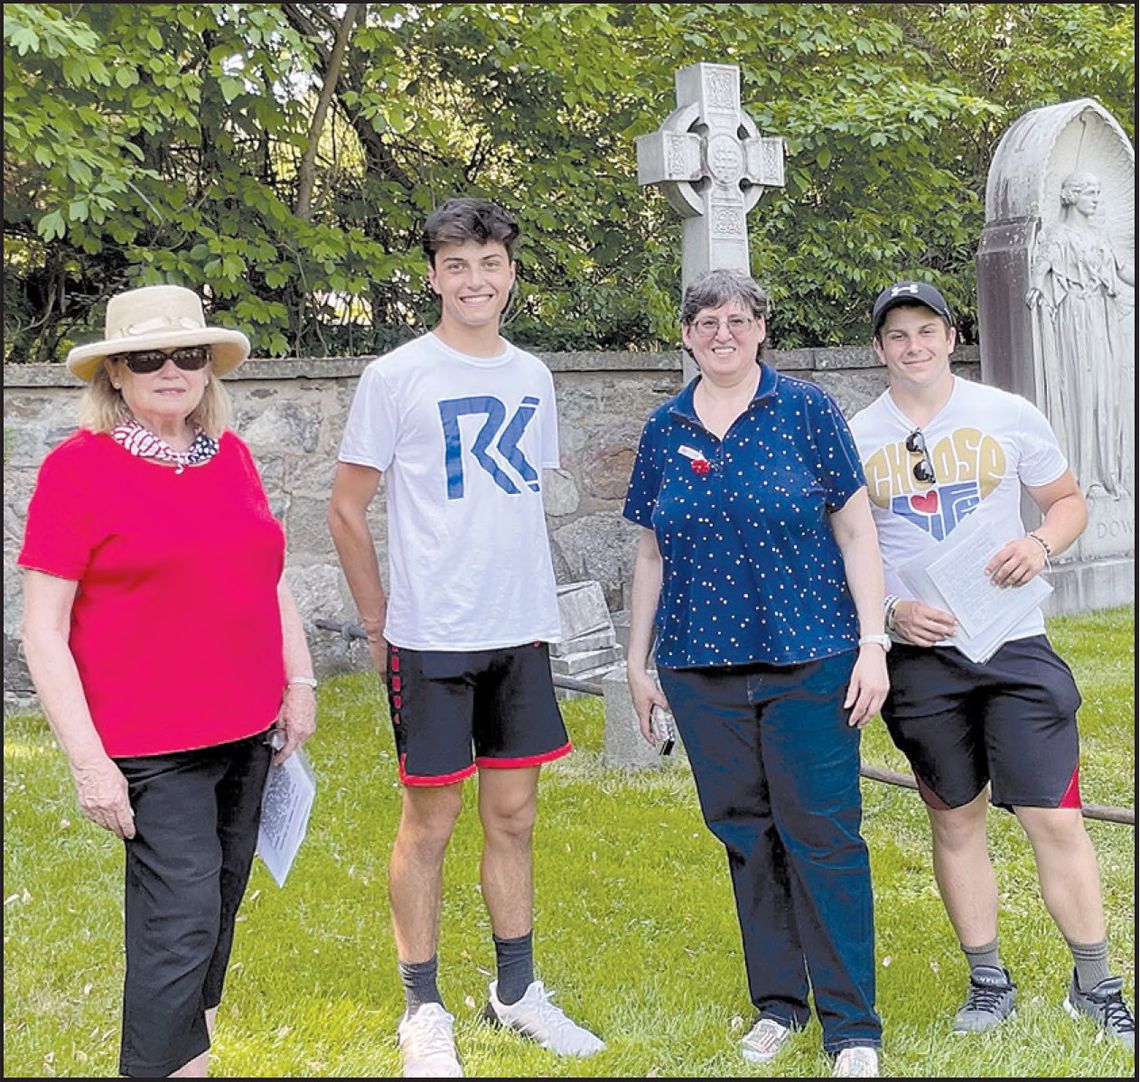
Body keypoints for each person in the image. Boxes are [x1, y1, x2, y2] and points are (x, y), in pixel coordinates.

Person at [326, 197, 604, 1078]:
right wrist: (378, 622)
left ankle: (516, 992)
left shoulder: (532, 376)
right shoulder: (397, 376)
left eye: (488, 263)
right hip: (431, 634)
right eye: (456, 266)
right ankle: (423, 1007)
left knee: (514, 816)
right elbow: (346, 507)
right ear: (434, 276)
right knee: (431, 820)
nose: (474, 280)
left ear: (510, 272)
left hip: (519, 627)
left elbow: (512, 498)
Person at [18, 284, 318, 1077]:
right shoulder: (77, 471)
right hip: (152, 748)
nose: (170, 370)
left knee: (215, 915)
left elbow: (270, 576)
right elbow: (41, 629)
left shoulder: (233, 457)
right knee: (177, 927)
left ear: (208, 369)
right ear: (114, 373)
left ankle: (194, 1063)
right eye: (147, 357)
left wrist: (300, 682)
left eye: (188, 355)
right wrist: (89, 764)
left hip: (249, 731)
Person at [848, 280, 1135, 1051]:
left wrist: (1039, 543)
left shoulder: (1008, 414)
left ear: (951, 336)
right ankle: (988, 981)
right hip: (923, 654)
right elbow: (841, 550)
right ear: (879, 349)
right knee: (955, 817)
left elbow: (1069, 500)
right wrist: (886, 617)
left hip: (1013, 641)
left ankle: (1097, 985)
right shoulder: (855, 434)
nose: (914, 346)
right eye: (898, 335)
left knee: (1055, 814)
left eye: (927, 330)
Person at [623, 268, 889, 1078]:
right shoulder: (665, 428)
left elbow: (857, 532)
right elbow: (648, 551)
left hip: (810, 658)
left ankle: (853, 1029)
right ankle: (778, 1003)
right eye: (706, 321)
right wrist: (637, 664)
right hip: (699, 668)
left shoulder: (805, 411)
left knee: (824, 836)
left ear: (761, 329)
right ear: (685, 335)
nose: (723, 333)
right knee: (746, 835)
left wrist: (873, 641)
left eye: (738, 319)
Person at [1025, 171, 1135, 499]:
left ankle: (1108, 473)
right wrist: (1035, 288)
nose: (1096, 197)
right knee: (1082, 391)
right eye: (1090, 191)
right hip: (1076, 318)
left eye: (1098, 191)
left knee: (1108, 392)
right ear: (1071, 196)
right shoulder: (1059, 235)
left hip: (1103, 318)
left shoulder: (1100, 237)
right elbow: (1039, 270)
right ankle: (1085, 476)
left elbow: (1123, 270)